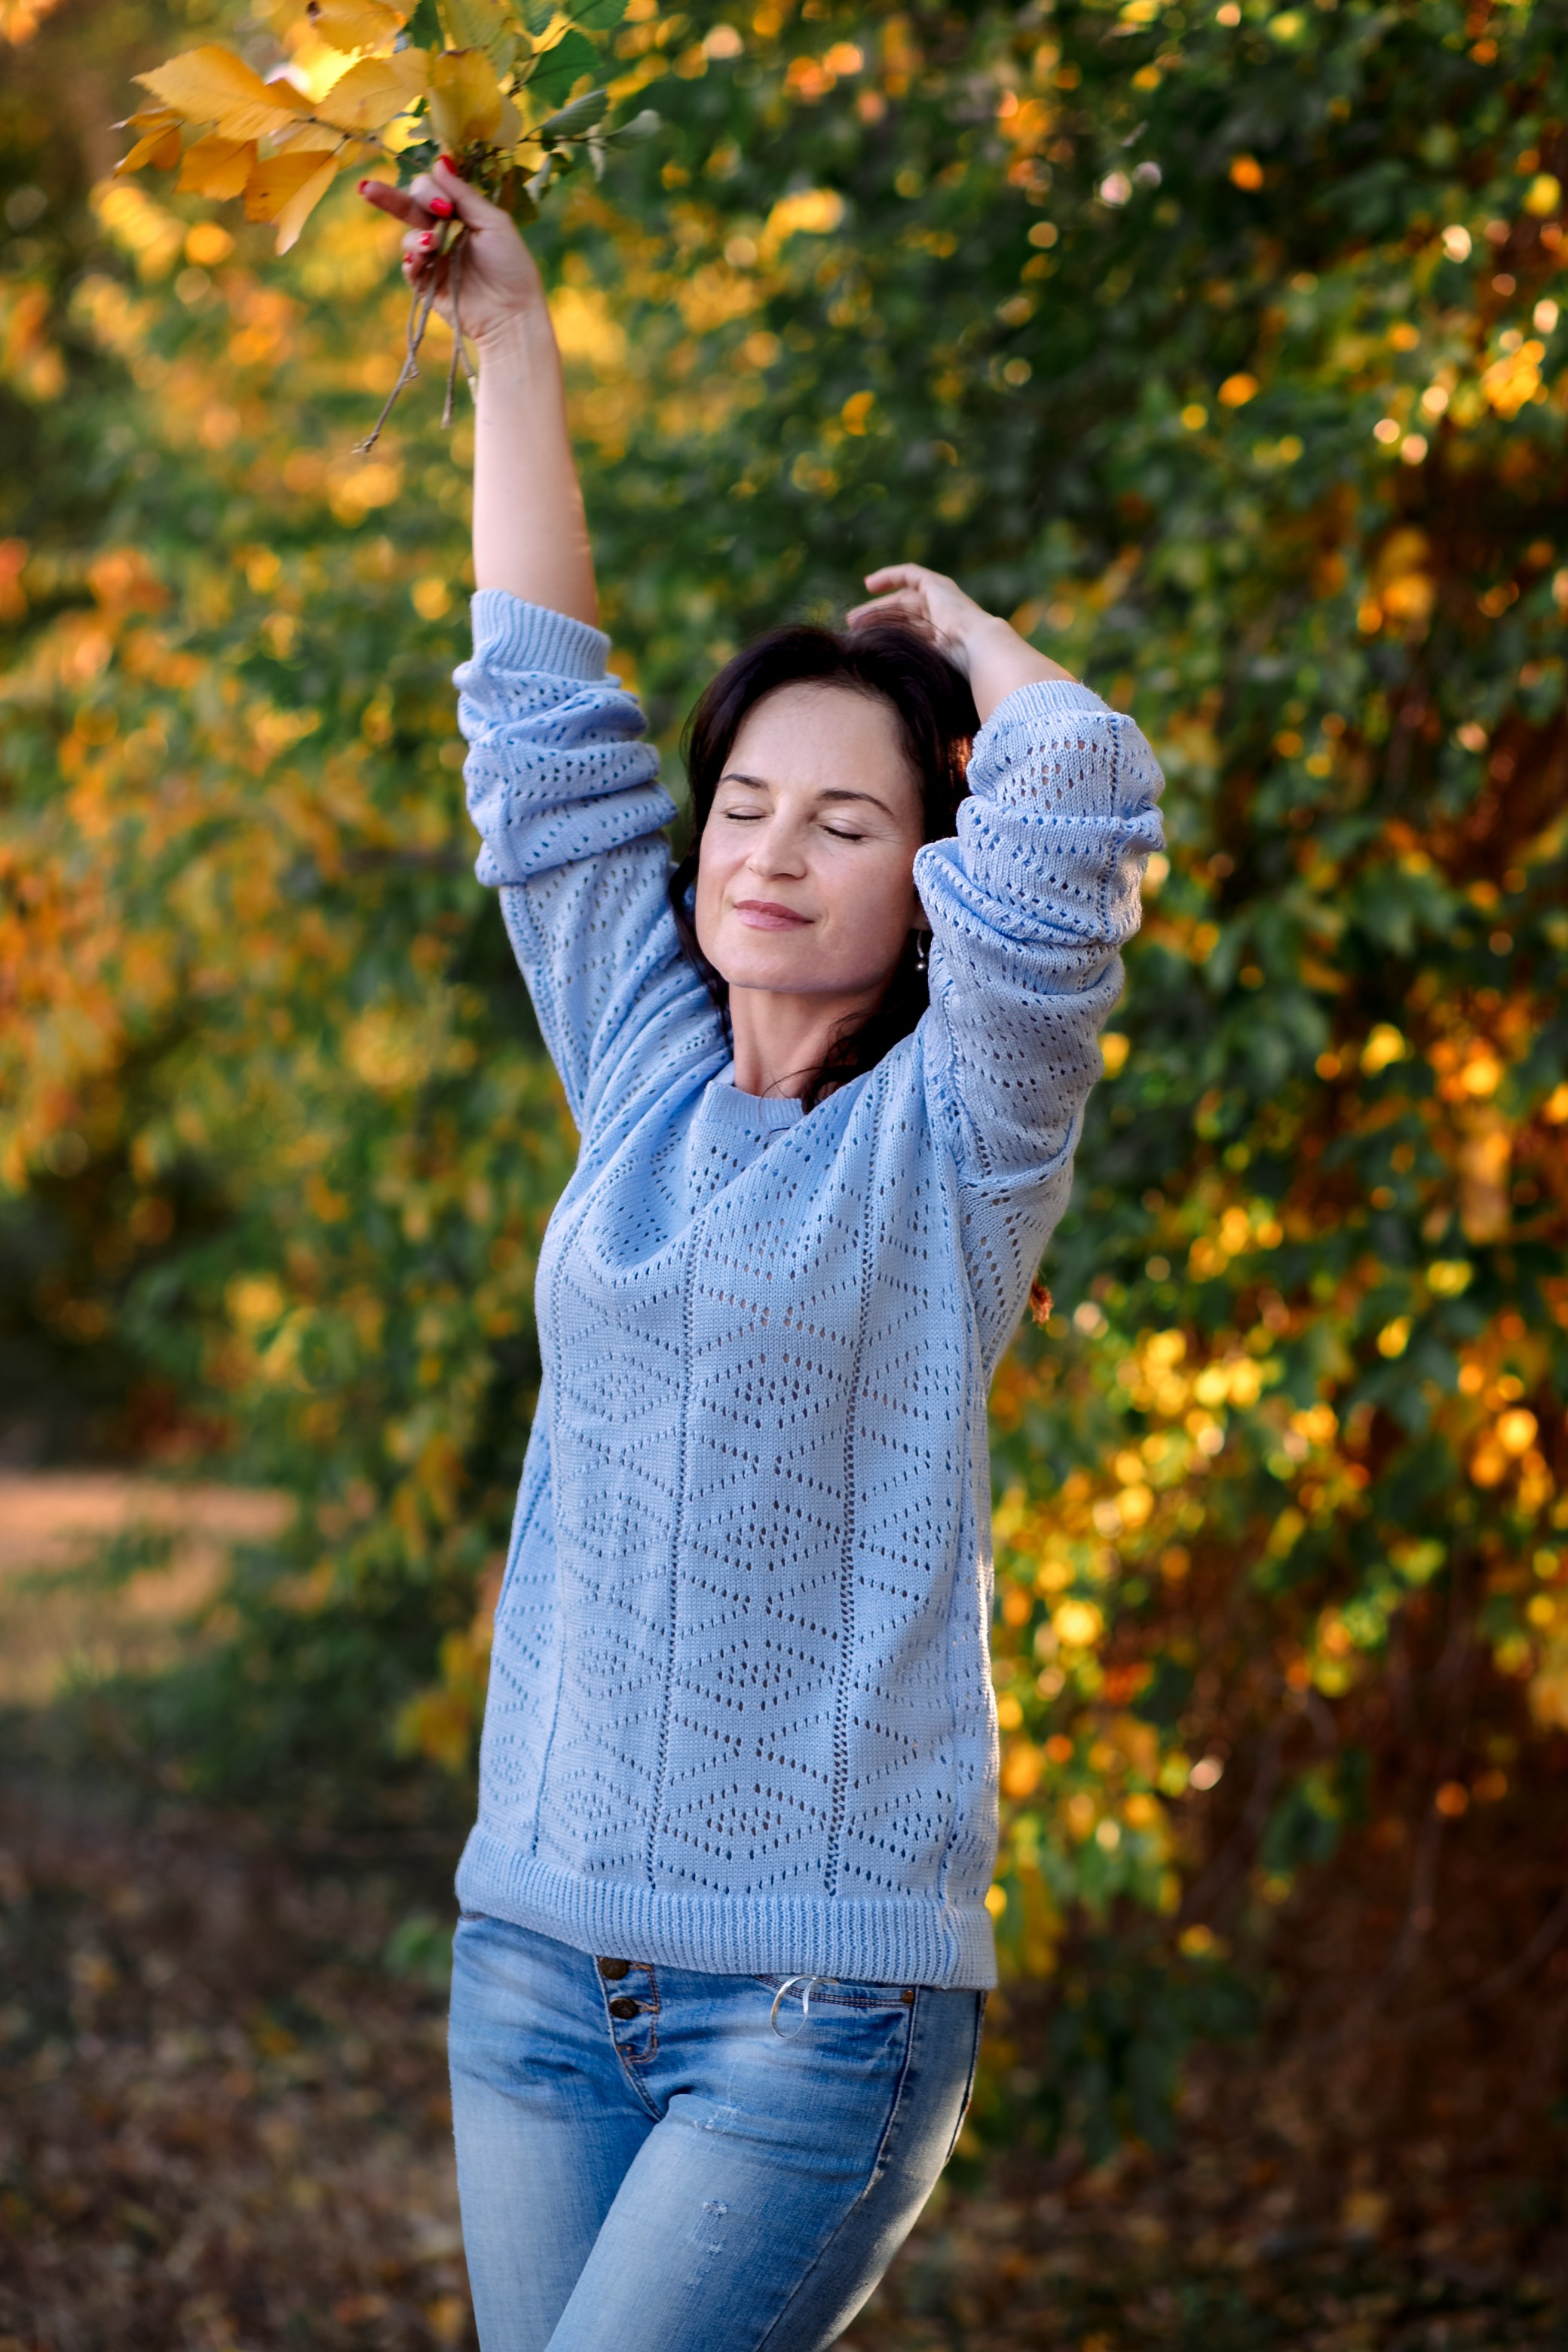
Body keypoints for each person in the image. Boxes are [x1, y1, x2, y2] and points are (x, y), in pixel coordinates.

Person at [360, 158, 1164, 2352]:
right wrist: (508, 339)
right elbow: (537, 718)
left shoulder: (959, 1140)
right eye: (744, 806)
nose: (774, 852)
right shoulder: (637, 1062)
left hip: (821, 1999)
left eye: (849, 818)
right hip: (531, 1948)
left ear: (933, 880)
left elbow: (1086, 796)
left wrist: (971, 649)